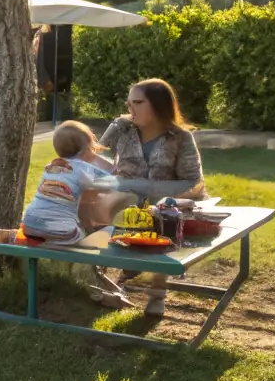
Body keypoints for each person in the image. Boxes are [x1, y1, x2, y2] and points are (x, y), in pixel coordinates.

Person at [86, 78, 205, 316]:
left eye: (138, 103)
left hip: (166, 205)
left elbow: (195, 183)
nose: (130, 109)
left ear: (159, 105)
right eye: (129, 103)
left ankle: (157, 293)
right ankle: (98, 280)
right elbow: (94, 155)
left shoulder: (179, 137)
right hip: (126, 202)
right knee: (91, 206)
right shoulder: (124, 131)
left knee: (165, 218)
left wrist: (149, 191)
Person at [21, 121, 113, 246]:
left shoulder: (51, 166)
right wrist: (96, 158)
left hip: (29, 225)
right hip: (63, 232)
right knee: (109, 230)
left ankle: (10, 235)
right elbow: (115, 177)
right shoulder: (84, 170)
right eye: (92, 148)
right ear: (87, 149)